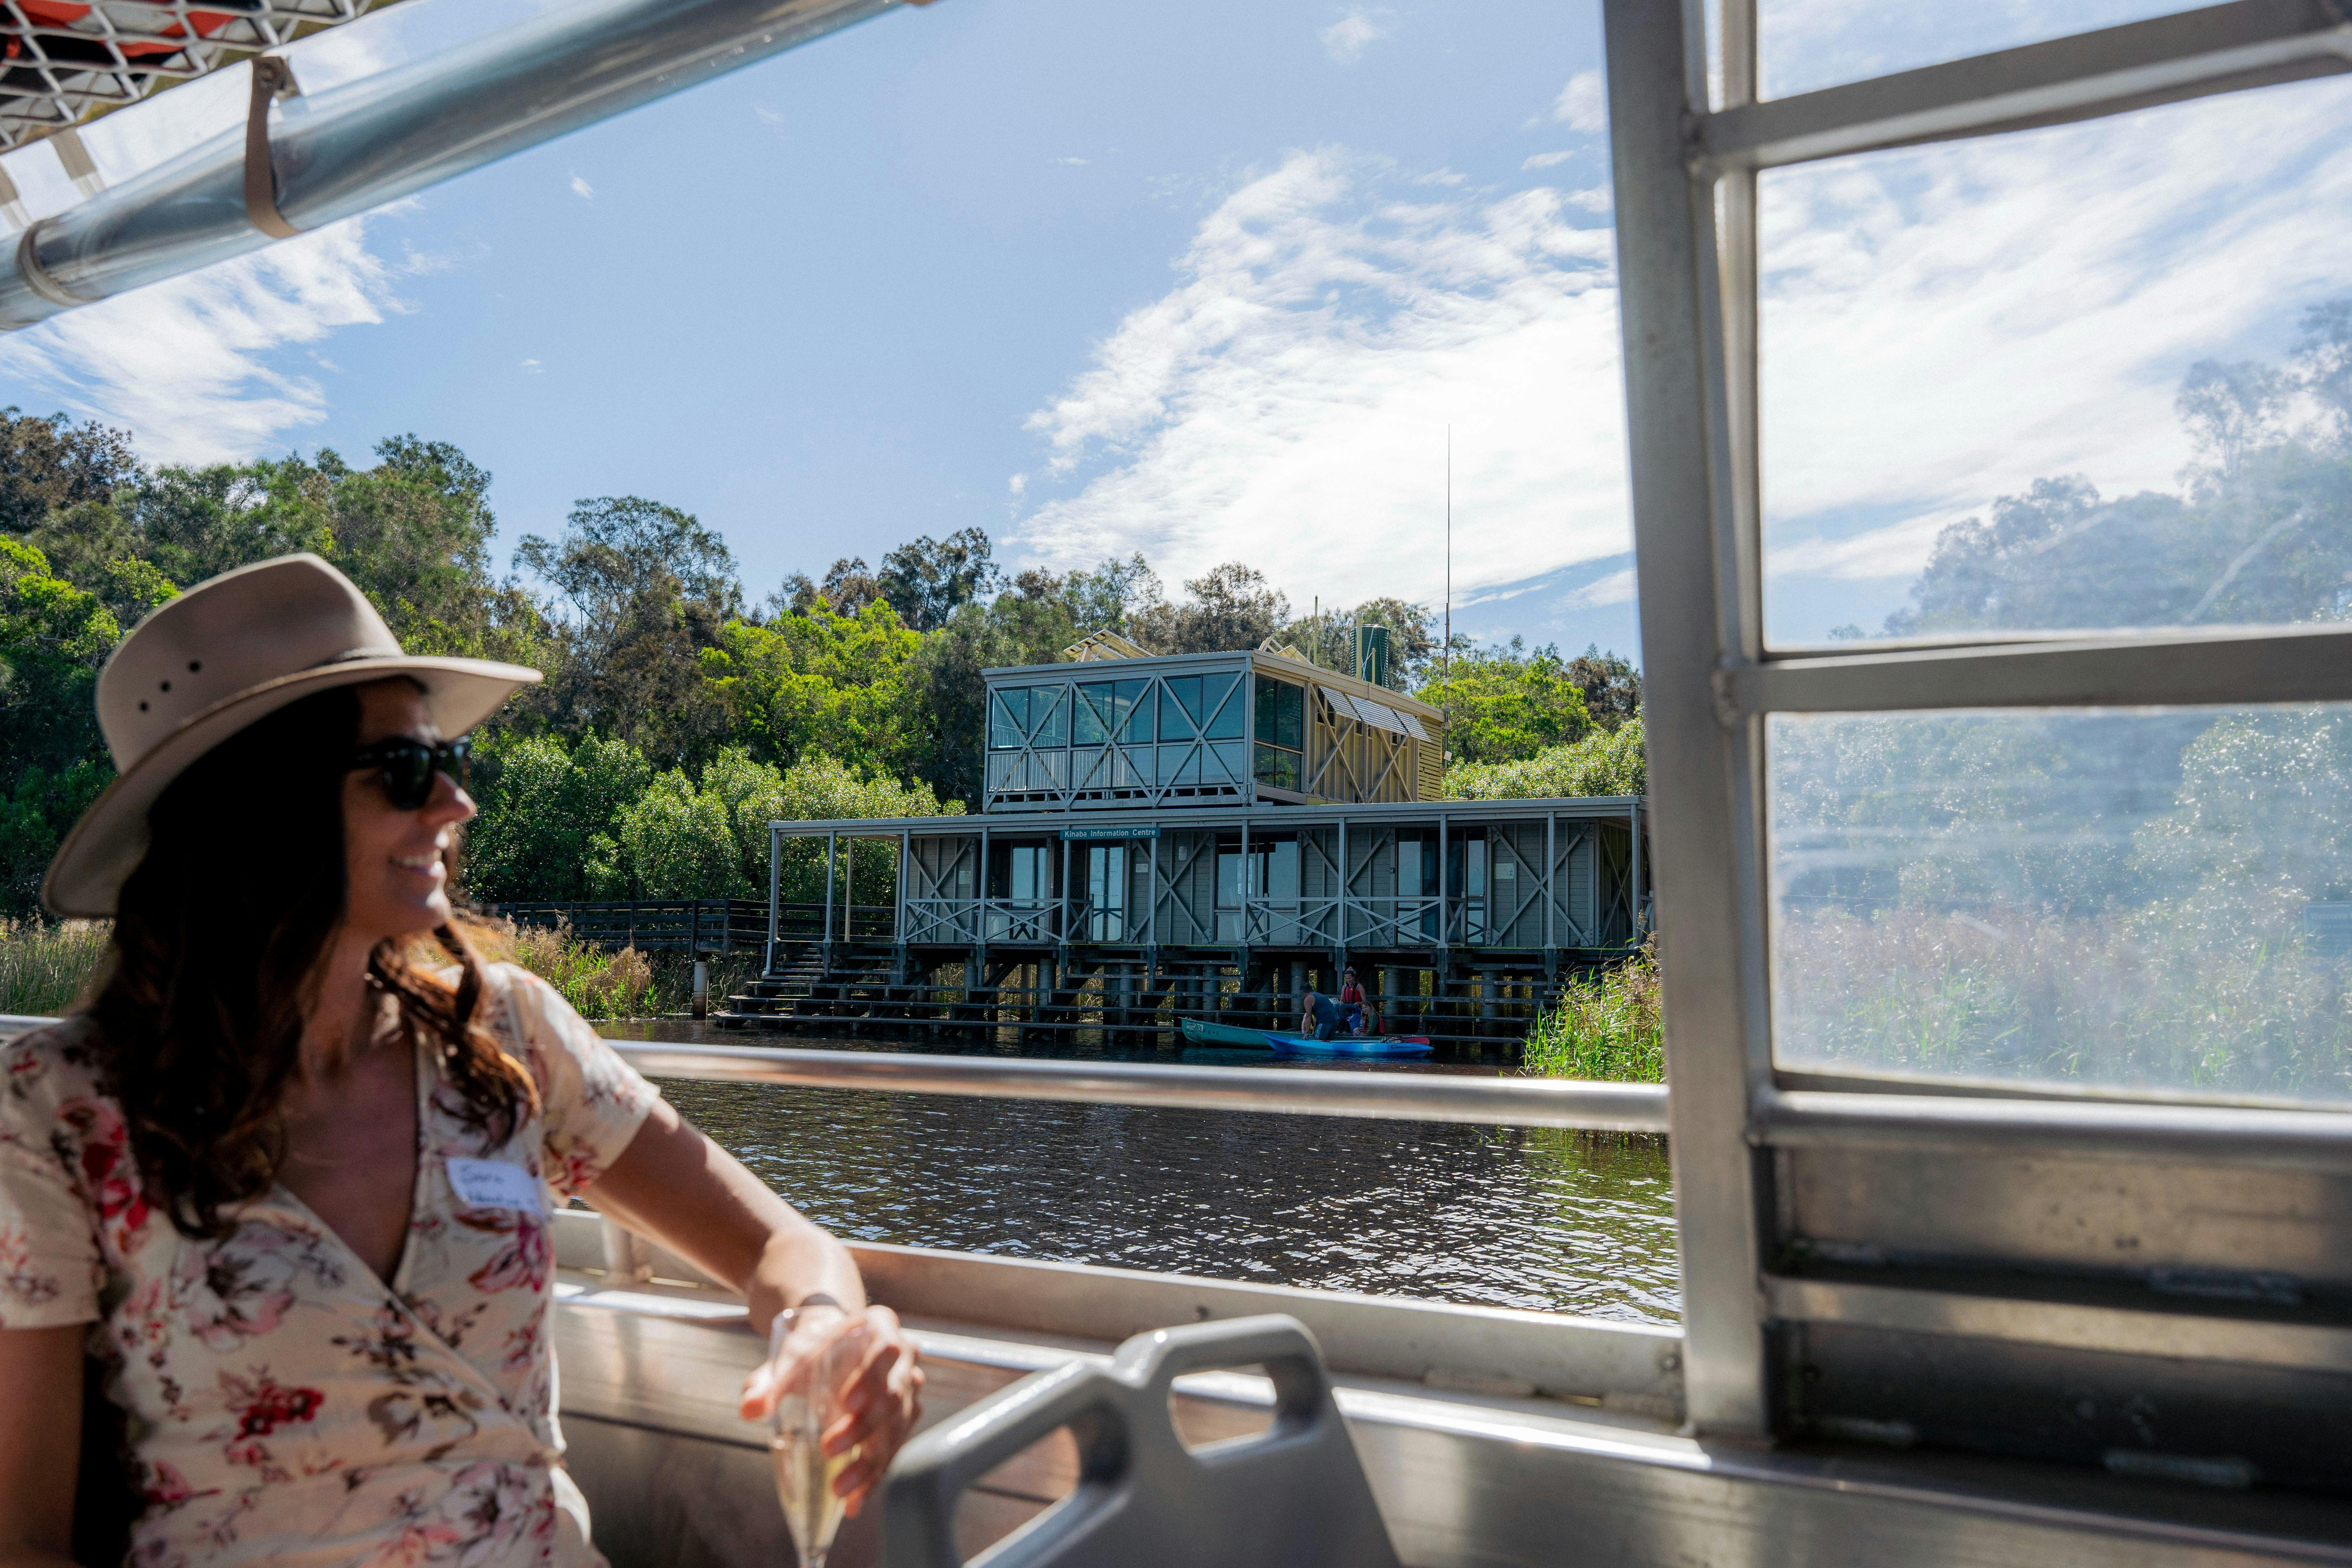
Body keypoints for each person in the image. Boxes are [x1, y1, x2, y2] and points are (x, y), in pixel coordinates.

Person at [0, 555, 923, 1568]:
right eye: (405, 770)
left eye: (453, 761)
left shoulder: (509, 1035)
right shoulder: (59, 1109)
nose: (455, 803)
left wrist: (828, 1325)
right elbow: (27, 1539)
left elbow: (783, 1249)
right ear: (261, 808)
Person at [1336, 967, 1376, 1037]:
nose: (1348, 980)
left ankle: (1345, 1027)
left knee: (1343, 1007)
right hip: (1346, 1006)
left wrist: (1359, 1003)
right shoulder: (1344, 987)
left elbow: (1365, 1001)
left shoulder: (1359, 986)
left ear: (1354, 977)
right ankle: (1337, 1027)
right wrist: (1341, 1003)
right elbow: (1342, 1000)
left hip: (1356, 1007)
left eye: (1350, 978)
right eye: (1347, 979)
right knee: (1336, 1006)